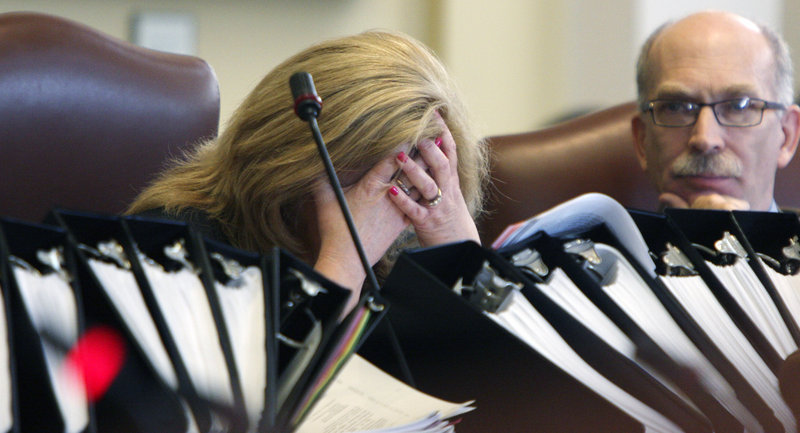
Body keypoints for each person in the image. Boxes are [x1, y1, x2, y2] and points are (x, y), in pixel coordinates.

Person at [126, 30, 489, 312]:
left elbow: (495, 388)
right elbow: (263, 398)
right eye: (376, 180)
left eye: (414, 182)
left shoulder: (409, 236)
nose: (392, 213)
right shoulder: (170, 245)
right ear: (294, 165)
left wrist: (461, 257)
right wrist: (342, 265)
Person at [631, 10, 800, 211]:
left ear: (787, 136)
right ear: (642, 140)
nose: (705, 140)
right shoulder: (603, 242)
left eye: (739, 106)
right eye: (676, 107)